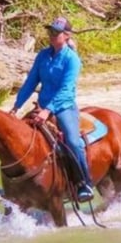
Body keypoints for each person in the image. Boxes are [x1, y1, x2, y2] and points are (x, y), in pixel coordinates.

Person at [9, 16, 94, 202]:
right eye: (50, 32)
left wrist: (48, 110)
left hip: (63, 107)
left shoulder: (72, 60)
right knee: (17, 137)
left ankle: (84, 182)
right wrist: (16, 106)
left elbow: (66, 89)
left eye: (56, 32)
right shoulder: (42, 56)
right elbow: (31, 82)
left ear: (66, 35)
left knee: (72, 141)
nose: (52, 35)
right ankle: (15, 185)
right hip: (41, 107)